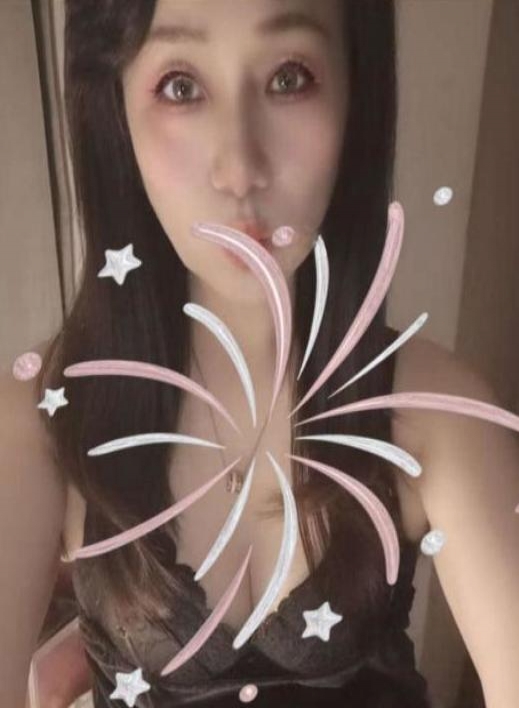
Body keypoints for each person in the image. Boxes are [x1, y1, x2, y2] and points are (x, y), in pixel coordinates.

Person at [2, 1, 519, 707]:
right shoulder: (38, 423)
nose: (240, 168)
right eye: (181, 86)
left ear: (355, 91)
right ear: (114, 111)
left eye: (288, 78)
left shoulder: (438, 413)